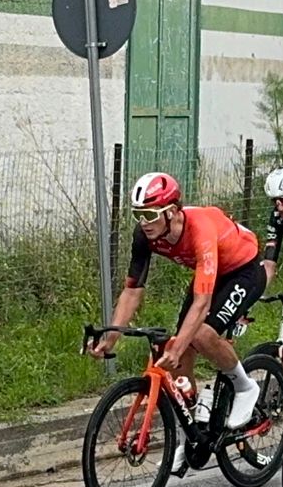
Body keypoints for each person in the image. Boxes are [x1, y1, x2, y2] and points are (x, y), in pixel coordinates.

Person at [88, 172, 265, 429]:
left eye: (150, 215)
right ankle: (190, 432)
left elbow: (202, 303)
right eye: (138, 214)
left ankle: (245, 386)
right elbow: (133, 291)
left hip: (244, 270)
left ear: (171, 211)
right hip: (212, 273)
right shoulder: (144, 235)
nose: (144, 223)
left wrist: (178, 348)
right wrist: (112, 337)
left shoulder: (200, 229)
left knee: (200, 335)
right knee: (178, 350)